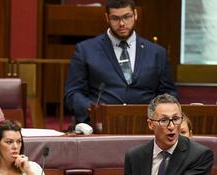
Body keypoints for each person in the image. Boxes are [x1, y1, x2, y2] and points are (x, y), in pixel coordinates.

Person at [64, 0, 177, 129]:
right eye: (115, 18)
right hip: (100, 127)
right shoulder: (85, 50)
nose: (122, 24)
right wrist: (93, 111)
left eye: (127, 17)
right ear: (107, 18)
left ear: (135, 15)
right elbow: (73, 93)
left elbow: (168, 93)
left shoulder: (157, 53)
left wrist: (158, 115)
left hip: (146, 127)